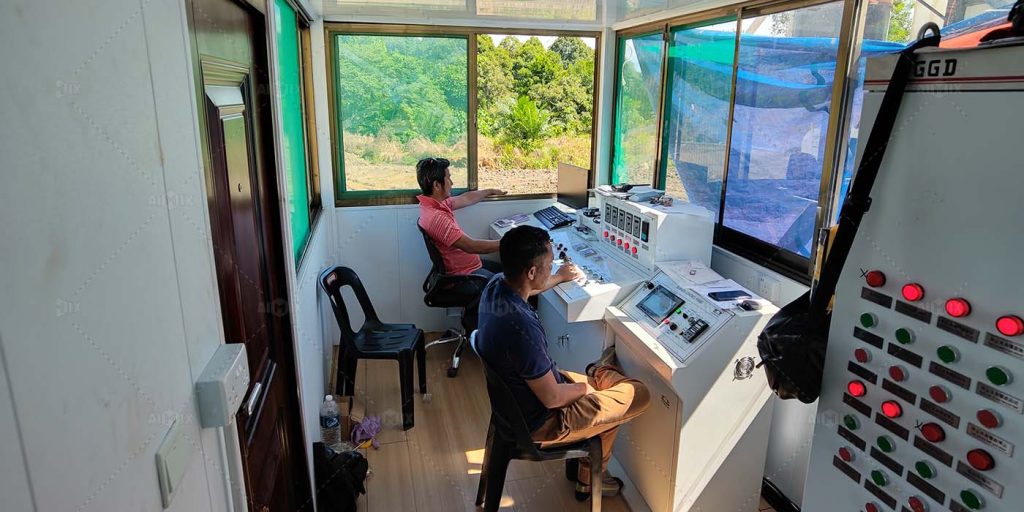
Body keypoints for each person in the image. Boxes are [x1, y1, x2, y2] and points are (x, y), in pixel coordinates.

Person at [475, 225, 650, 498]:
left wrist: (558, 276)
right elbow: (553, 398)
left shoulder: (496, 284)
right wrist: (586, 390)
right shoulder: (522, 329)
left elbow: (530, 289)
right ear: (532, 272)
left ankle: (587, 470)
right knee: (638, 394)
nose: (551, 267)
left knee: (602, 386)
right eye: (548, 264)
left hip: (512, 407)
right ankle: (601, 376)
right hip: (543, 420)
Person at [416, 157, 506, 279]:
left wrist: (490, 191)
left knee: (508, 271)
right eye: (448, 178)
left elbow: (466, 198)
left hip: (469, 267)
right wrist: (510, 241)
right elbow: (472, 246)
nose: (451, 183)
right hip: (463, 277)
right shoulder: (437, 219)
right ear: (437, 185)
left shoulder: (433, 205)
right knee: (515, 284)